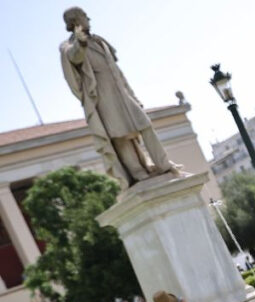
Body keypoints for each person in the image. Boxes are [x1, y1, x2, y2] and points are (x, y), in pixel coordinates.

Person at [59, 7, 178, 189]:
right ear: (76, 21)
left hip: (122, 93)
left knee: (145, 125)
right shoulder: (69, 46)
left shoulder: (99, 41)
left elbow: (119, 73)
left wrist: (133, 96)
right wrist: (80, 42)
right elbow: (74, 56)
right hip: (103, 97)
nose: (88, 18)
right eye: (84, 16)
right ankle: (138, 174)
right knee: (120, 136)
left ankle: (164, 164)